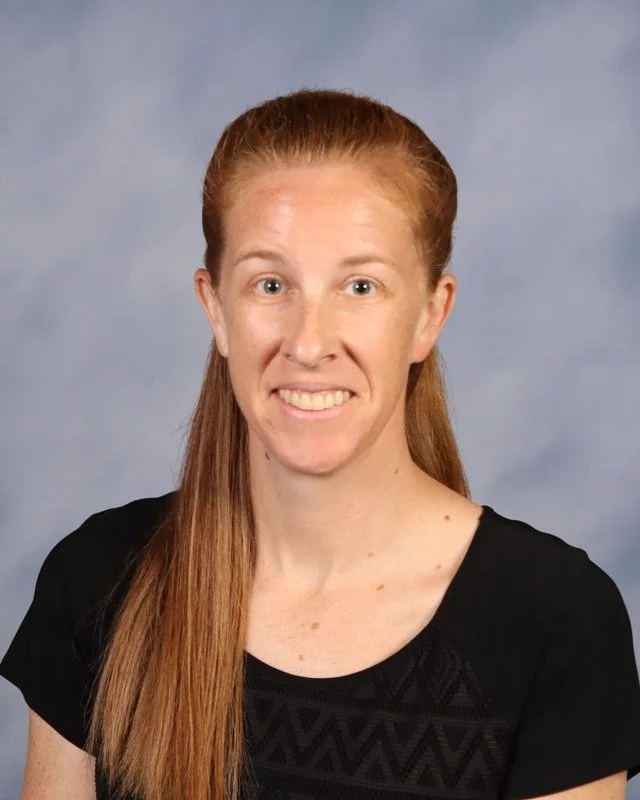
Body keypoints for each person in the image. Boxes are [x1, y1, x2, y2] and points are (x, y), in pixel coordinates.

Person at [1, 88, 640, 800]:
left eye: (360, 286)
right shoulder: (96, 585)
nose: (308, 343)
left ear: (431, 314)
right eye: (270, 284)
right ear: (215, 308)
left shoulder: (555, 621)